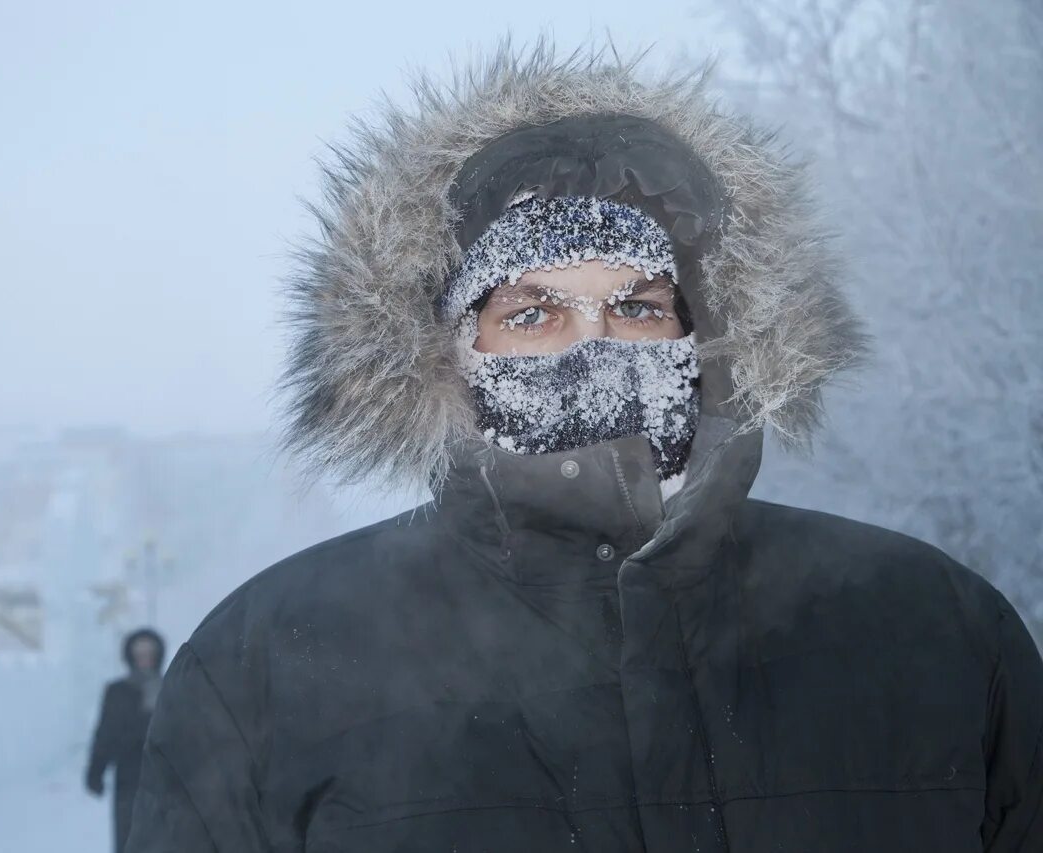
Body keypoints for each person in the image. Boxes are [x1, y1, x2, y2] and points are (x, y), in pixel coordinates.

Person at [125, 43, 1043, 852]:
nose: (592, 345)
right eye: (532, 312)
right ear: (451, 353)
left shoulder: (932, 626)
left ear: (704, 335)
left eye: (638, 307)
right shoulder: (266, 665)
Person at [86, 627, 164, 853]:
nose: (145, 658)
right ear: (130, 655)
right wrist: (96, 770)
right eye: (140, 653)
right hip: (129, 779)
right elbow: (105, 733)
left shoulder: (172, 686)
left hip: (168, 779)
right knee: (128, 839)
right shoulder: (117, 691)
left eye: (149, 653)